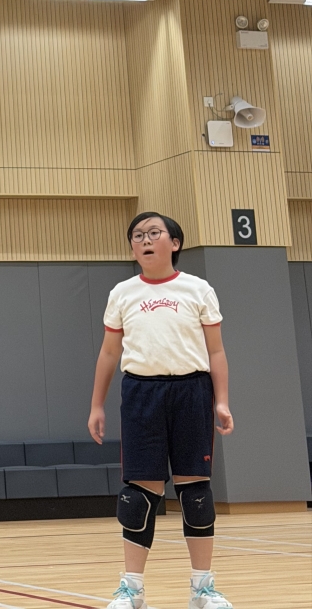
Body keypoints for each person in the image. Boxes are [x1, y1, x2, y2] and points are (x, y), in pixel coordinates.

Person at [89, 212, 235, 609]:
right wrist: (97, 404)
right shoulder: (122, 293)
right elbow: (109, 352)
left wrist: (221, 400)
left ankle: (202, 589)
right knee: (138, 495)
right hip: (141, 393)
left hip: (192, 391)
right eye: (137, 235)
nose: (144, 240)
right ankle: (132, 590)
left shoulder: (198, 289)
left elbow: (216, 351)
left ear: (175, 242)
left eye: (154, 233)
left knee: (196, 492)